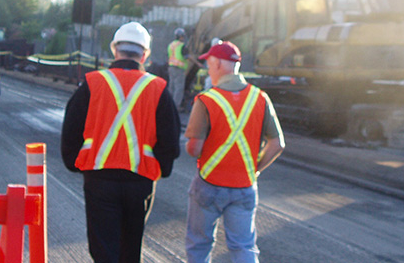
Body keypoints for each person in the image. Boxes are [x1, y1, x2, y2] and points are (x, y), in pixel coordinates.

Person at [61, 22, 181, 263]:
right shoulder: (158, 88)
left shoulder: (92, 83)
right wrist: (161, 169)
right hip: (140, 182)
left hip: (99, 180)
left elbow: (71, 130)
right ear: (145, 55)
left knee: (104, 250)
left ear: (114, 50)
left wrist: (75, 163)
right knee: (130, 250)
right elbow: (170, 139)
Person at [184, 41, 285, 263]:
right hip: (244, 186)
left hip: (209, 184)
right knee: (244, 248)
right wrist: (254, 169)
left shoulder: (206, 100)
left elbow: (194, 149)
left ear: (218, 64)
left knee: (199, 245)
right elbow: (277, 144)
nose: (208, 69)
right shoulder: (260, 98)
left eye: (209, 64)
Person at [167, 28, 189, 111]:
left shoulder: (171, 45)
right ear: (181, 36)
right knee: (179, 88)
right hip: (179, 69)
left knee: (171, 87)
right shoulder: (182, 46)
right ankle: (175, 106)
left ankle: (169, 104)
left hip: (171, 67)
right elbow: (187, 57)